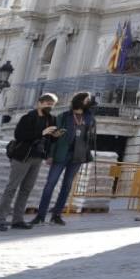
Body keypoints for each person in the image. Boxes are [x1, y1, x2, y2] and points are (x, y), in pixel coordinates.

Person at [0, 93, 60, 231]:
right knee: (11, 188)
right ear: (40, 103)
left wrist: (55, 136)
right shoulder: (28, 117)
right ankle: (0, 220)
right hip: (22, 156)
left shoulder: (52, 119)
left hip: (37, 157)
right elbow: (19, 136)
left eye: (52, 104)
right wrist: (42, 133)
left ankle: (17, 220)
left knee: (26, 189)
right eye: (47, 103)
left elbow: (50, 140)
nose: (49, 106)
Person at [31, 92, 96, 225]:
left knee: (67, 186)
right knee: (50, 184)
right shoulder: (64, 116)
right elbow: (54, 138)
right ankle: (40, 215)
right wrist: (50, 155)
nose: (89, 102)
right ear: (79, 100)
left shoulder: (90, 118)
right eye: (86, 99)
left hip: (77, 155)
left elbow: (91, 138)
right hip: (61, 153)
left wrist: (86, 153)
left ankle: (57, 215)